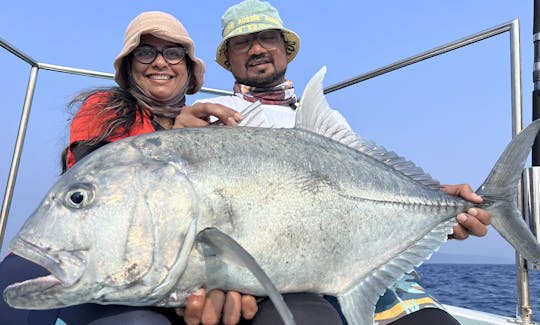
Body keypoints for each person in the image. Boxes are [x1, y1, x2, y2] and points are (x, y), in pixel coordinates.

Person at [174, 1, 492, 325]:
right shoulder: (212, 114)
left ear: (285, 49)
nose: (256, 49)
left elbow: (370, 193)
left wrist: (438, 208)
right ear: (228, 60)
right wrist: (177, 132)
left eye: (267, 38)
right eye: (242, 42)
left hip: (364, 266)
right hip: (281, 270)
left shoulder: (323, 117)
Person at [0, 11, 241, 325]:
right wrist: (172, 139)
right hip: (85, 259)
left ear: (188, 68)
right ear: (129, 67)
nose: (159, 62)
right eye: (145, 52)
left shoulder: (210, 128)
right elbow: (101, 183)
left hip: (166, 271)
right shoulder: (104, 108)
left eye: (173, 53)